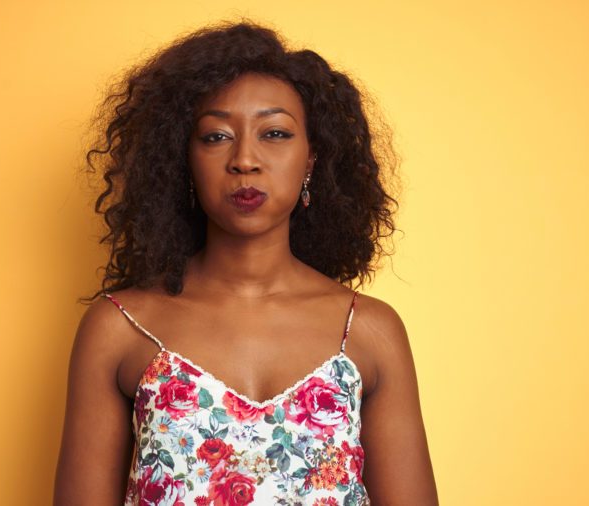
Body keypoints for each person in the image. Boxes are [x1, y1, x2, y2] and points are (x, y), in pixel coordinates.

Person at [54, 19, 438, 505]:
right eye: (215, 137)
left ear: (312, 160)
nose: (245, 160)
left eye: (274, 133)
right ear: (183, 159)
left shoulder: (368, 330)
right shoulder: (119, 326)